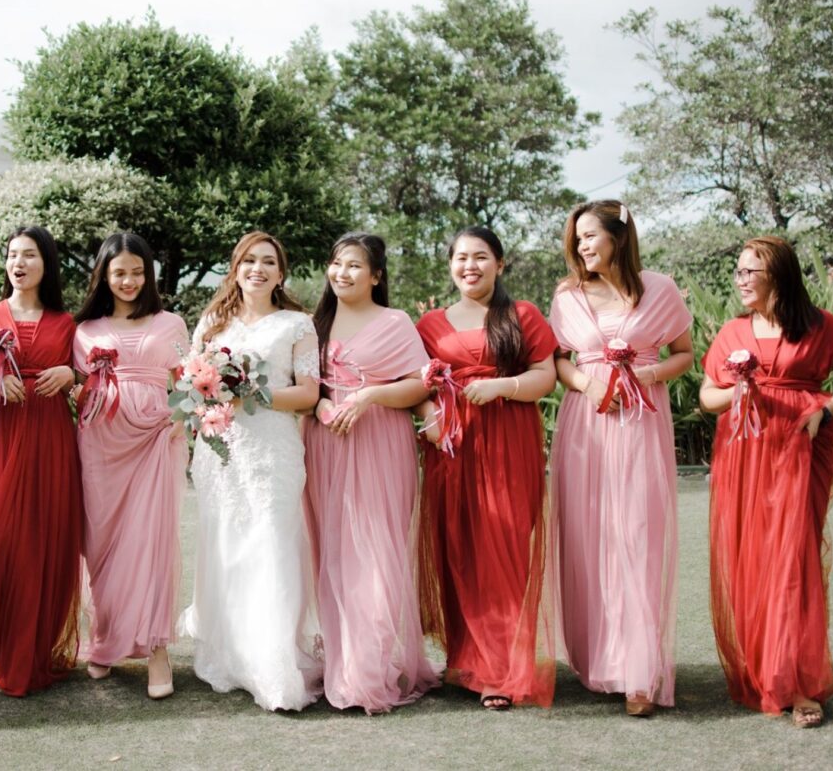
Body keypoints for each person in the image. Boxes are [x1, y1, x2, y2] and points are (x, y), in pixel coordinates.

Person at [699, 236, 833, 728]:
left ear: (778, 275)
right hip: (743, 456)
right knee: (749, 557)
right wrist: (738, 390)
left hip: (797, 449)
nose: (740, 280)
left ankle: (798, 683)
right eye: (738, 271)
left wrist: (822, 408)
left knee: (793, 560)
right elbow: (708, 396)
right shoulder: (733, 332)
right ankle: (765, 669)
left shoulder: (823, 328)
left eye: (750, 271)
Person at [548, 200, 694, 717]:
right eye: (577, 238)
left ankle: (639, 673)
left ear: (618, 236)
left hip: (640, 423)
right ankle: (600, 661)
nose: (582, 245)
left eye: (591, 235)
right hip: (585, 425)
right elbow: (559, 362)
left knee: (636, 535)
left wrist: (645, 378)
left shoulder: (661, 288)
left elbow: (684, 352)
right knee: (591, 538)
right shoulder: (567, 295)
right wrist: (589, 384)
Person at [178, 231, 322, 712]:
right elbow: (192, 384)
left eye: (268, 262)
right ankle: (229, 654)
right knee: (225, 545)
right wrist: (206, 401)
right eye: (248, 261)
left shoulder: (297, 325)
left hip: (273, 451)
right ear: (235, 269)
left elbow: (307, 395)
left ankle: (274, 664)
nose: (257, 269)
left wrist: (249, 396)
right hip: (221, 450)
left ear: (281, 274)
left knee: (270, 544)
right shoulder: (211, 324)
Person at [415, 225, 558, 710]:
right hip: (452, 445)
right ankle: (466, 659)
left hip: (507, 441)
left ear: (500, 263)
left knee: (504, 549)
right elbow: (418, 387)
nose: (469, 266)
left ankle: (501, 669)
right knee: (457, 547)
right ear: (450, 265)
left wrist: (503, 387)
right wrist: (429, 418)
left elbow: (546, 377)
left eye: (480, 257)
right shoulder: (430, 323)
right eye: (460, 257)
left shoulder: (521, 316)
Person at [302, 232, 439, 713]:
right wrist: (321, 407)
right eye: (336, 263)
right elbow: (300, 388)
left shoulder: (396, 322)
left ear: (377, 275)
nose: (343, 273)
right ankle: (344, 663)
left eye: (355, 265)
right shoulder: (312, 324)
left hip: (380, 442)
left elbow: (417, 387)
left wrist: (367, 396)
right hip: (325, 445)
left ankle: (371, 670)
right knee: (335, 555)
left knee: (377, 556)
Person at [0, 225, 83, 697]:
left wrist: (70, 373)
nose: (19, 263)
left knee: (45, 539)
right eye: (12, 254)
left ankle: (34, 648)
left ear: (46, 264)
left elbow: (86, 384)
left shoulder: (66, 323)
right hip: (1, 439)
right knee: (1, 540)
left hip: (51, 440)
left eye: (29, 255)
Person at [73, 233, 189, 699]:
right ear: (104, 274)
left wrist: (182, 418)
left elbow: (189, 381)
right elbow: (77, 386)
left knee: (153, 540)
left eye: (138, 272)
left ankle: (156, 649)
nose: (129, 281)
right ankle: (105, 639)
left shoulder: (171, 323)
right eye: (120, 272)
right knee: (102, 543)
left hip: (156, 438)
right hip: (100, 441)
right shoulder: (84, 329)